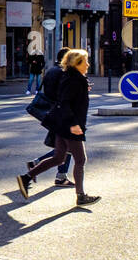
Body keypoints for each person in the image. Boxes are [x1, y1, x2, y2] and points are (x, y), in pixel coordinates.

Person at [17, 48, 98, 206]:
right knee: (80, 160)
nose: (88, 64)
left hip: (60, 123)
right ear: (77, 63)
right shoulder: (75, 79)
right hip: (69, 125)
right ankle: (81, 196)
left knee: (59, 157)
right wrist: (74, 124)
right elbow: (65, 102)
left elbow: (66, 97)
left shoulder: (72, 77)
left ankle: (25, 178)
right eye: (85, 61)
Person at [26, 47, 73, 187]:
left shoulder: (51, 70)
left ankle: (53, 172)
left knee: (64, 147)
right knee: (67, 146)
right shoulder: (63, 72)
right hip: (60, 114)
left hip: (51, 112)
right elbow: (65, 94)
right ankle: (55, 174)